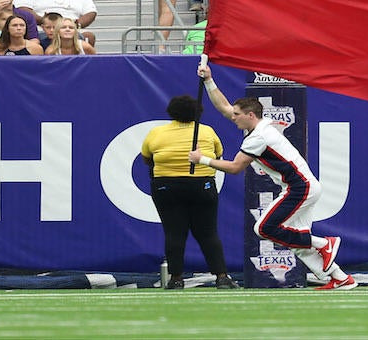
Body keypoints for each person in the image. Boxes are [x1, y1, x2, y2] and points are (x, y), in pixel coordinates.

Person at [190, 80, 356, 290]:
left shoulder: (258, 137)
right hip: (301, 186)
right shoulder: (260, 125)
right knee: (296, 243)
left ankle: (324, 243)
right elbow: (224, 107)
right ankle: (340, 278)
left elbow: (234, 167)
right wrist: (209, 80)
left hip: (300, 188)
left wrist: (202, 159)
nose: (232, 117)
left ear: (250, 115)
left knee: (264, 228)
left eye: (237, 115)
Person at [141, 93, 237, 290]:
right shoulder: (207, 131)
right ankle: (222, 277)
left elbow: (147, 158)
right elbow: (218, 155)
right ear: (198, 113)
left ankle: (176, 279)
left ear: (171, 112)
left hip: (166, 186)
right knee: (208, 233)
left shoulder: (156, 133)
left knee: (174, 233)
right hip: (202, 184)